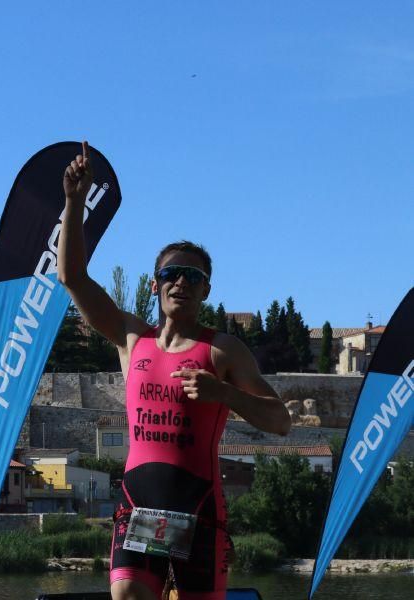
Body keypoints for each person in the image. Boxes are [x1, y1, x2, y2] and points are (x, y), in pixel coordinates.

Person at [58, 142, 291, 600]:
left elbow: (280, 421)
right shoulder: (131, 339)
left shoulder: (222, 350)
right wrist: (73, 201)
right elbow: (73, 277)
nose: (180, 281)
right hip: (139, 500)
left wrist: (224, 395)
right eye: (172, 273)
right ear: (155, 284)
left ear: (206, 290)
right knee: (126, 594)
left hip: (199, 504)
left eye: (193, 276)